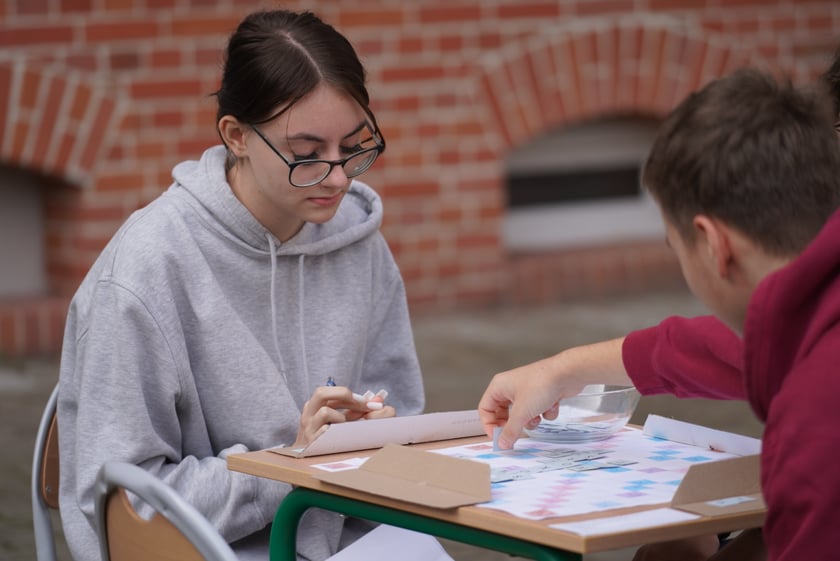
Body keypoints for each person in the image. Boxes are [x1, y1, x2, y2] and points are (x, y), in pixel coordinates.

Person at [56, 9, 425, 561]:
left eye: (353, 146)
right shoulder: (148, 266)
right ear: (236, 136)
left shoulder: (359, 242)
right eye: (306, 156)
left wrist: (375, 437)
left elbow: (406, 418)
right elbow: (119, 505)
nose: (340, 176)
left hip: (358, 541)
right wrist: (287, 466)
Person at [478, 67, 840, 561]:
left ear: (714, 245)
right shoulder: (814, 322)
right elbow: (721, 349)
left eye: (675, 245)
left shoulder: (816, 413)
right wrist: (563, 369)